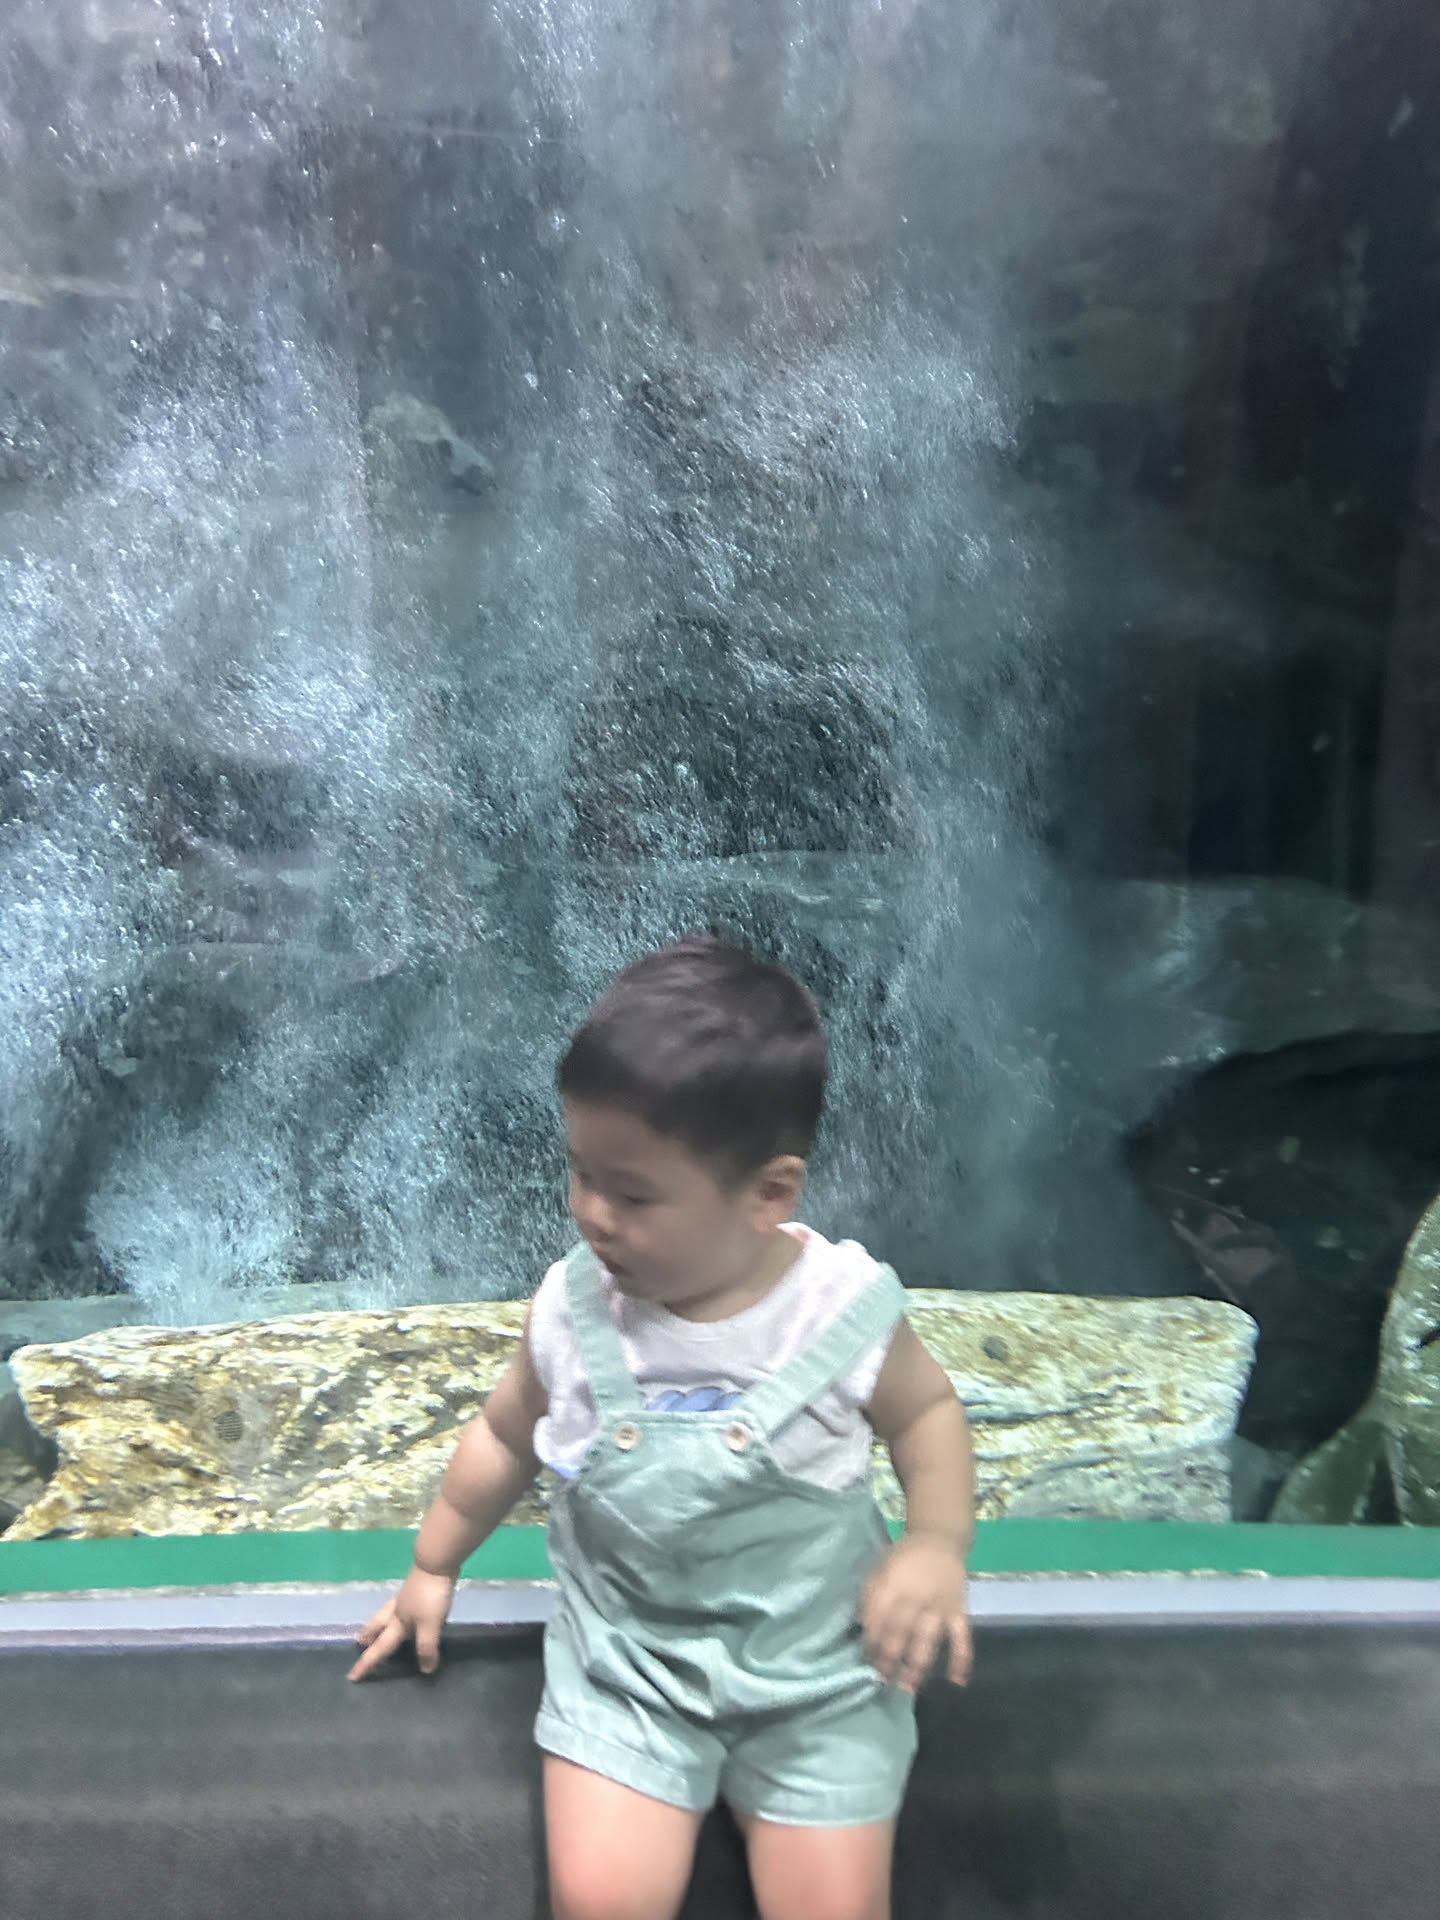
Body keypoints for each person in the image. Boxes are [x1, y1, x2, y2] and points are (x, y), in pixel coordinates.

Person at [350, 935, 975, 1920]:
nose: (593, 1215)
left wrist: (936, 1544)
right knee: (601, 1899)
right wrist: (433, 1566)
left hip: (819, 1680)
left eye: (632, 1193)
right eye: (581, 1172)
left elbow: (928, 1415)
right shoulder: (575, 1309)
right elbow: (506, 1436)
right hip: (630, 1667)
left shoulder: (839, 1313)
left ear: (770, 1194)